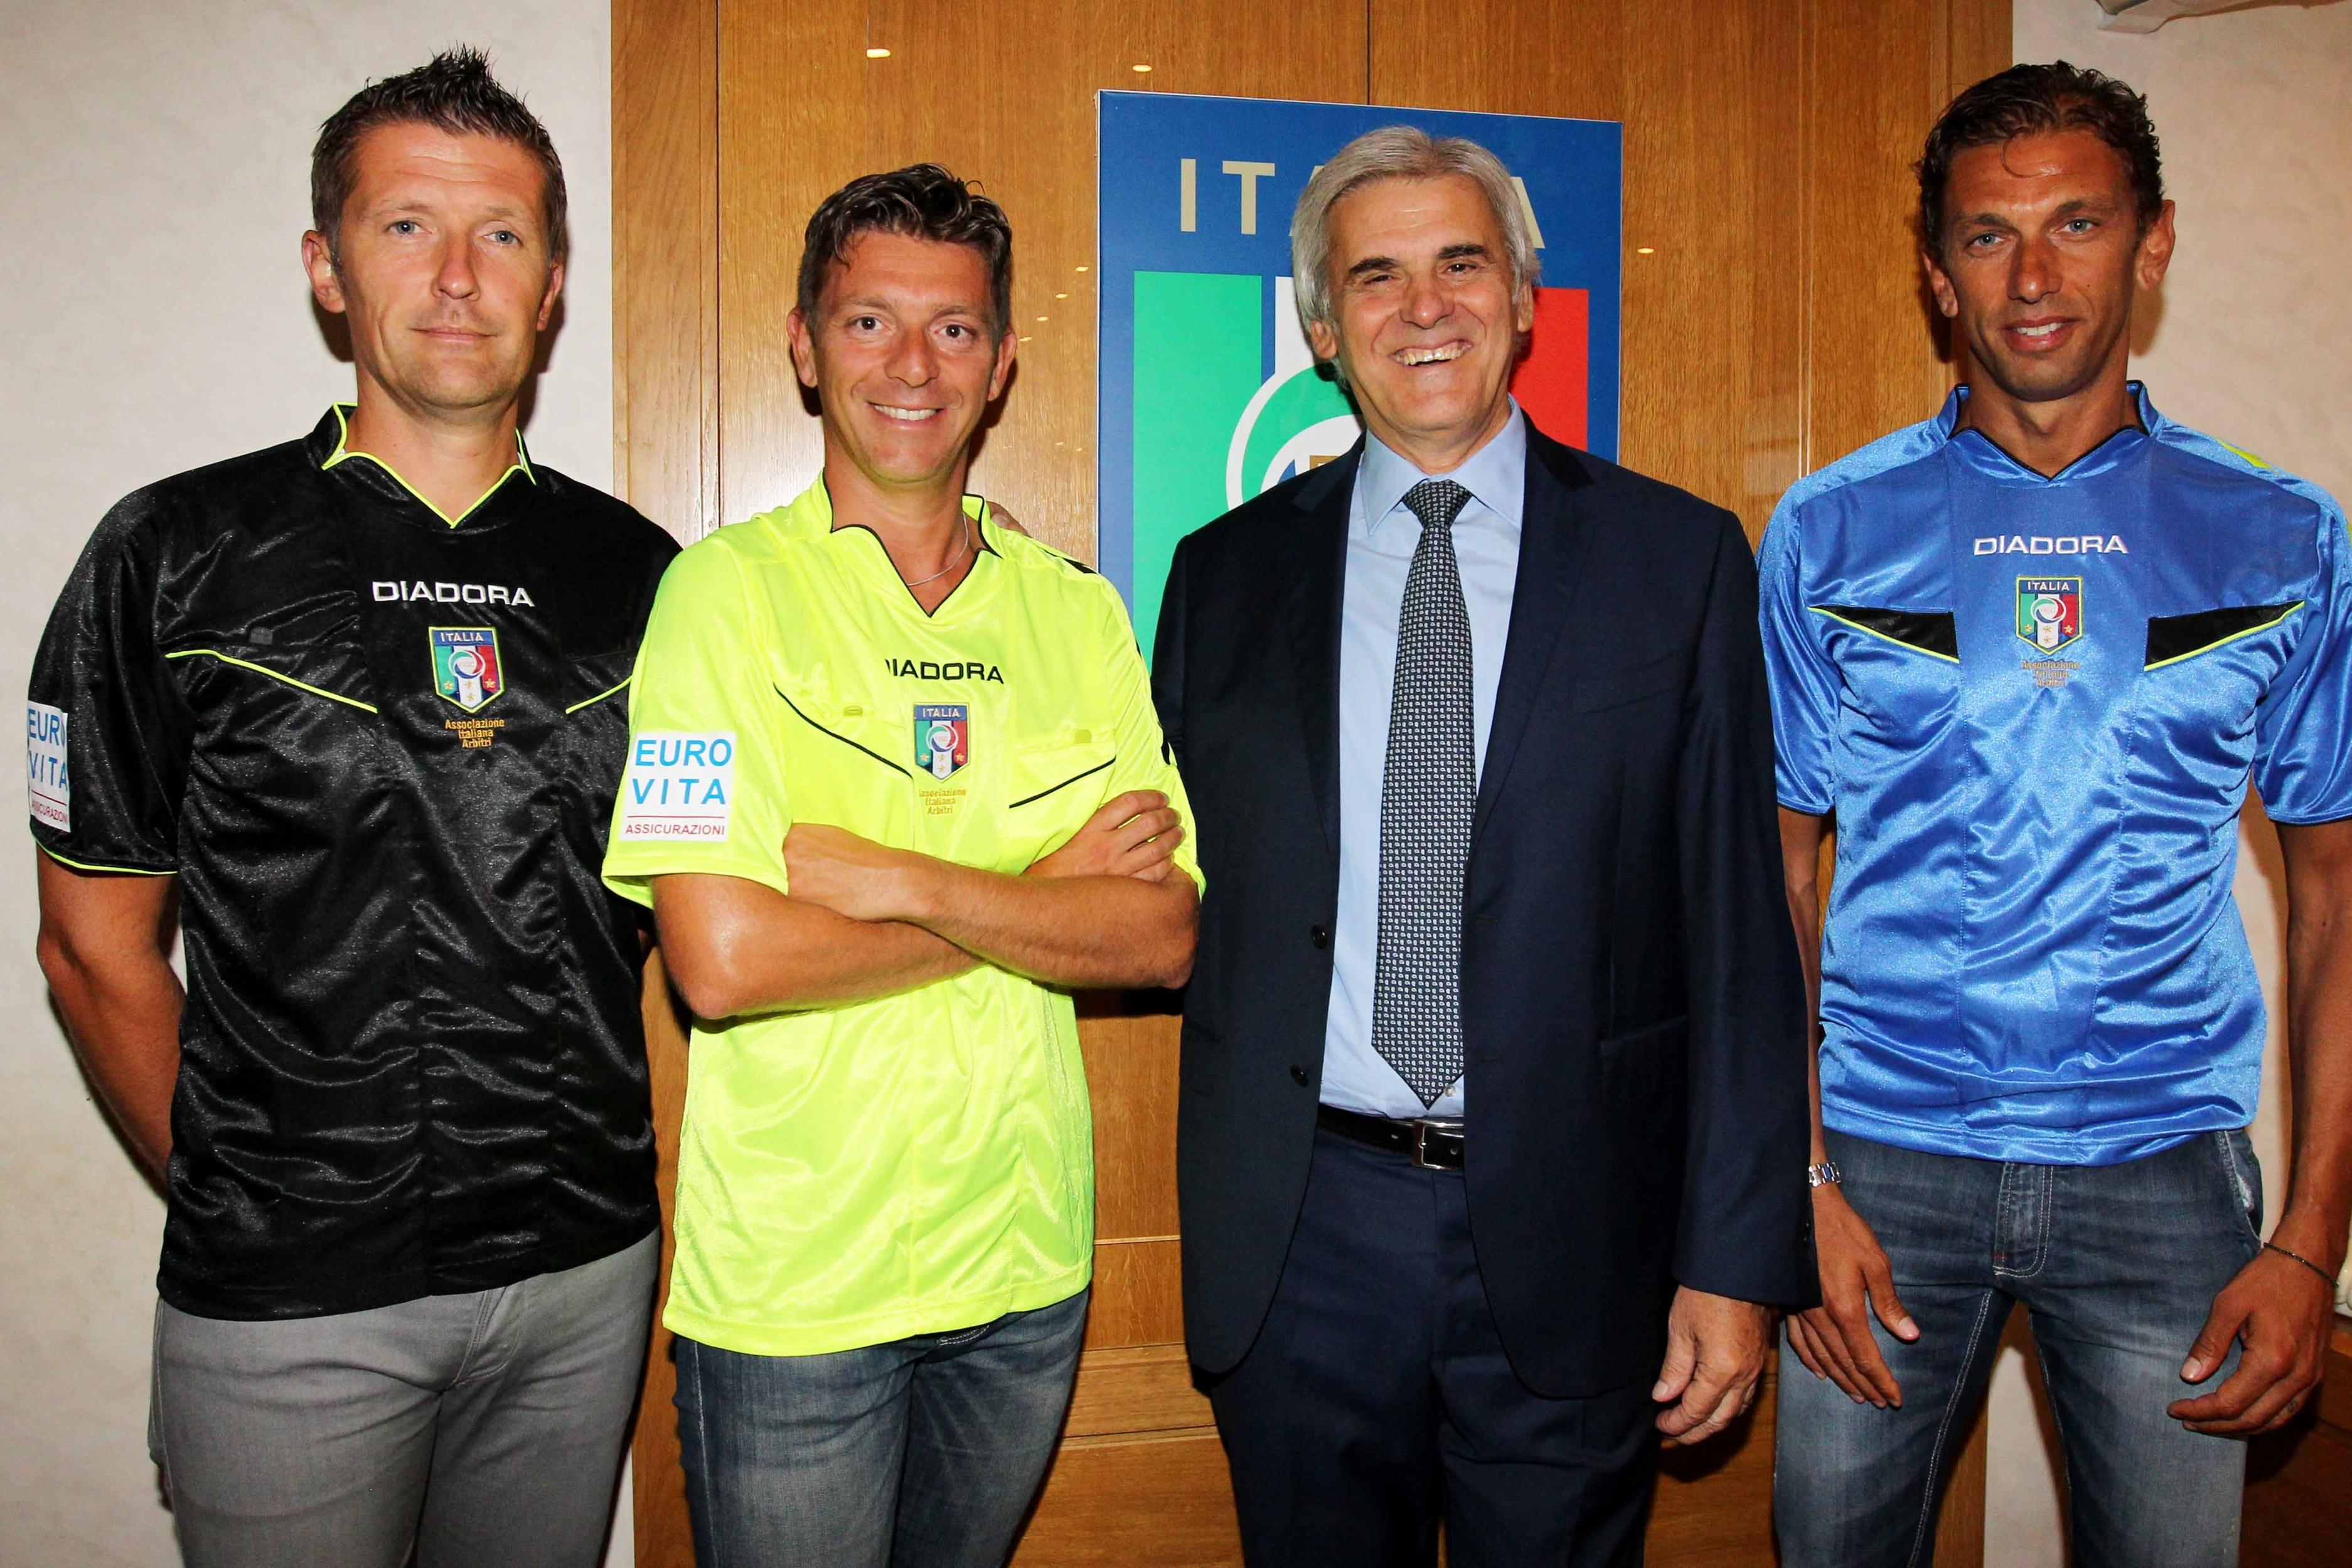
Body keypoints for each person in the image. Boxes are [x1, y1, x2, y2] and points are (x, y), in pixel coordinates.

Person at [29, 48, 677, 1568]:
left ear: (555, 276)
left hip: (582, 1280)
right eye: (404, 228)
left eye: (502, 234)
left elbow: (685, 935)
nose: (457, 277)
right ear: (327, 267)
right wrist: (248, 1200)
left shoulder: (652, 578)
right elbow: (91, 950)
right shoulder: (175, 550)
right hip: (288, 1306)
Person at [1152, 126, 1814, 1567]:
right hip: (1304, 1235)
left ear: (1522, 298)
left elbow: (1737, 935)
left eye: (1461, 262)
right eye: (1373, 276)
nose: (1423, 304)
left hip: (1585, 1228)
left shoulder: (1676, 559)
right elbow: (1151, 865)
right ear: (1324, 331)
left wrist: (1733, 1261)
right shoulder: (1221, 578)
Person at [1764, 63, 2352, 1568]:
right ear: (1934, 271)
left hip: (2163, 1173)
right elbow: (1773, 881)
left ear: (2150, 247)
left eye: (2075, 224)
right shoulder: (1827, 529)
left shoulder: (2281, 536)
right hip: (1880, 1172)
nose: (2030, 277)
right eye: (1985, 236)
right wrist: (1799, 1181)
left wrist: (2305, 1240)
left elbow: (2333, 903)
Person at [600, 164, 1201, 1568]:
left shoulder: (1076, 611)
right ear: (805, 347)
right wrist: (1045, 889)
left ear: (1000, 363)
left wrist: (917, 880)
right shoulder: (720, 596)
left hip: (1022, 1270)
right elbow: (725, 960)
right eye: (869, 323)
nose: (913, 366)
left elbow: (1162, 933)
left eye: (953, 327)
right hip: (797, 1290)